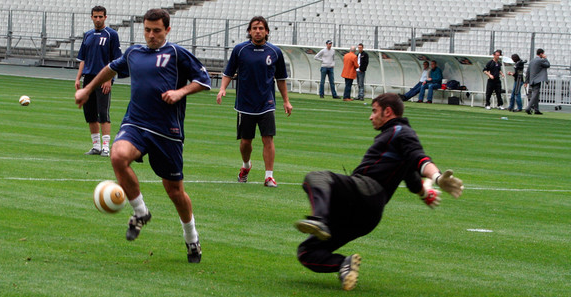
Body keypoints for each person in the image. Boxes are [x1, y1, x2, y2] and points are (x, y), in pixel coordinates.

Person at [75, 9, 211, 263]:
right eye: (147, 30)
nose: (151, 35)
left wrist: (180, 92)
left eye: (156, 31)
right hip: (136, 123)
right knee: (117, 156)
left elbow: (204, 80)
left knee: (174, 191)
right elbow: (109, 69)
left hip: (167, 132)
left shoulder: (177, 54)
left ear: (167, 30)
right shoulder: (134, 53)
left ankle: (192, 237)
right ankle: (141, 212)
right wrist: (87, 90)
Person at [294, 93, 464, 291]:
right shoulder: (396, 138)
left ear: (388, 112)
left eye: (374, 111)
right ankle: (343, 264)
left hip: (364, 191)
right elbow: (413, 177)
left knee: (316, 178)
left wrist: (436, 177)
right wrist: (424, 193)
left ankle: (319, 220)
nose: (371, 116)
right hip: (367, 217)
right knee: (306, 252)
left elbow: (420, 158)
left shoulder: (400, 131)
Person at [216, 16, 293, 188]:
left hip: (267, 103)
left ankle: (269, 176)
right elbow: (229, 72)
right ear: (249, 31)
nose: (258, 31)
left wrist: (286, 101)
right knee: (245, 142)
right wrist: (222, 89)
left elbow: (281, 79)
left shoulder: (275, 52)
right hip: (245, 104)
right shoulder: (240, 50)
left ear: (266, 31)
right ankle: (246, 166)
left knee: (268, 139)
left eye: (261, 28)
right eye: (254, 28)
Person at [75, 6, 122, 157]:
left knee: (103, 113)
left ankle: (106, 147)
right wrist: (78, 77)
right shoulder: (87, 35)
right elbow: (83, 58)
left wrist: (109, 78)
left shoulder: (111, 35)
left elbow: (116, 60)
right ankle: (96, 146)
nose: (98, 19)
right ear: (91, 17)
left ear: (105, 17)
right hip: (88, 79)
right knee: (90, 114)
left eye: (100, 17)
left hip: (103, 78)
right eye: (95, 17)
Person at [524, 48, 550, 115]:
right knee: (535, 95)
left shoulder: (532, 61)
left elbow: (528, 71)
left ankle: (536, 110)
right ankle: (528, 108)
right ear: (541, 54)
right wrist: (545, 58)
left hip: (531, 80)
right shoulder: (540, 60)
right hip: (537, 80)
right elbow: (548, 65)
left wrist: (526, 81)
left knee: (536, 95)